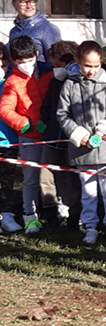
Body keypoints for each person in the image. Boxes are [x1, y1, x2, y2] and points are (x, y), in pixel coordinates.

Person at [56, 41, 106, 245]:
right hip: (81, 149)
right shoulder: (70, 84)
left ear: (101, 63)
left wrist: (103, 129)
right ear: (78, 61)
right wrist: (77, 133)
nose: (91, 70)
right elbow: (62, 113)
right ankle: (90, 226)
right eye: (87, 66)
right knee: (88, 191)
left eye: (96, 66)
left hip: (105, 148)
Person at [0, 36, 57, 234]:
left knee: (56, 174)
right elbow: (5, 109)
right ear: (15, 61)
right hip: (29, 138)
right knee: (30, 178)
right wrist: (24, 124)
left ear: (36, 54)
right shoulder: (12, 82)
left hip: (52, 135)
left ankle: (59, 211)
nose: (26, 65)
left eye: (29, 60)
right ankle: (30, 216)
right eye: (21, 62)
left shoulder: (49, 74)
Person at [40, 40, 82, 232]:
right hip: (52, 137)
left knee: (72, 179)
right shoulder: (56, 81)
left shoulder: (78, 80)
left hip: (72, 138)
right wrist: (46, 122)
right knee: (46, 176)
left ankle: (75, 216)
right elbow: (48, 105)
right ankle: (50, 215)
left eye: (56, 62)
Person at [9, 0, 61, 65]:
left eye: (32, 1)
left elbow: (55, 62)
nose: (29, 6)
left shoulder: (47, 29)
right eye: (23, 2)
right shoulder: (14, 31)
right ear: (14, 4)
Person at [0, 42, 21, 233]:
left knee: (8, 180)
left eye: (4, 64)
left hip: (8, 142)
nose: (1, 68)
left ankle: (7, 213)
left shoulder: (10, 82)